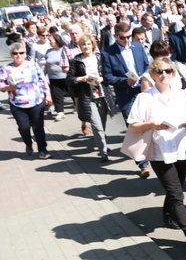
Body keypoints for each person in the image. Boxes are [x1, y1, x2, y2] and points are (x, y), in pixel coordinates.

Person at [127, 57, 186, 252]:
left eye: (168, 71)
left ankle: (167, 214)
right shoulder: (145, 97)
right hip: (160, 152)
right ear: (152, 74)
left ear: (173, 73)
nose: (164, 75)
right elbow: (133, 126)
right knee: (177, 194)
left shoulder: (183, 95)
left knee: (176, 188)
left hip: (182, 148)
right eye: (159, 71)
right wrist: (153, 125)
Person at [101, 21, 151, 178]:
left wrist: (143, 77)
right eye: (123, 38)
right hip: (125, 94)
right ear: (116, 36)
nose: (127, 40)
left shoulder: (137, 47)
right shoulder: (108, 53)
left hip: (143, 91)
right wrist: (124, 81)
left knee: (149, 123)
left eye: (129, 36)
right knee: (134, 126)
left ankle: (153, 153)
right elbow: (107, 77)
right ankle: (142, 164)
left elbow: (147, 66)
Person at [0, 42, 53, 159]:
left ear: (25, 53)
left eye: (21, 53)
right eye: (15, 53)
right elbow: (1, 86)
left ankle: (43, 150)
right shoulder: (6, 69)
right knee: (23, 127)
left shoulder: (33, 65)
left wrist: (48, 95)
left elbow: (42, 81)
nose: (18, 55)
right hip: (17, 103)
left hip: (36, 101)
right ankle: (28, 143)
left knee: (38, 127)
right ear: (11, 54)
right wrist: (9, 87)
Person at [67, 34, 111, 162]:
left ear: (93, 45)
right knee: (96, 125)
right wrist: (81, 79)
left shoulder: (100, 57)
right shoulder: (77, 60)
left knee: (102, 124)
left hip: (102, 94)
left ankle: (102, 144)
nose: (86, 47)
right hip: (87, 96)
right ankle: (103, 152)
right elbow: (69, 79)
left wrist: (103, 78)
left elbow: (109, 73)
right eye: (83, 44)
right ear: (80, 46)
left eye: (88, 44)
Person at [45, 33, 69, 121]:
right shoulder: (48, 51)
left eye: (51, 40)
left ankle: (79, 107)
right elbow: (47, 65)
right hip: (53, 78)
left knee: (73, 93)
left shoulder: (64, 49)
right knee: (57, 95)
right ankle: (60, 112)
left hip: (65, 76)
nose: (49, 42)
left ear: (57, 41)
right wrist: (43, 75)